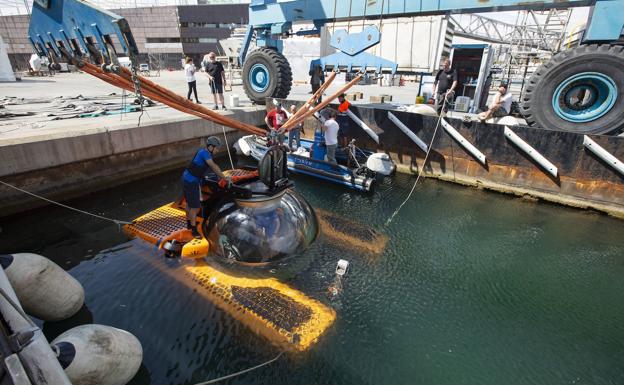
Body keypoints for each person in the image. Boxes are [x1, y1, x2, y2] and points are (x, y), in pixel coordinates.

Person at [181, 136, 229, 238]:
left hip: (186, 177)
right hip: (192, 181)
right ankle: (194, 230)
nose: (217, 150)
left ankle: (189, 223)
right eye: (216, 148)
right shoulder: (205, 154)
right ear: (211, 147)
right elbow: (214, 166)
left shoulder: (201, 151)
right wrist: (225, 178)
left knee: (189, 204)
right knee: (195, 207)